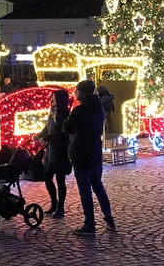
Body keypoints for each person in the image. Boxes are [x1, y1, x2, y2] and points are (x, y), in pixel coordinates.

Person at [63, 79, 115, 235]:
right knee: (98, 186)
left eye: (77, 90)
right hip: (95, 152)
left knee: (85, 189)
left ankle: (89, 224)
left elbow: (67, 127)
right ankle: (108, 217)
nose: (75, 93)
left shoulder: (80, 110)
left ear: (82, 92)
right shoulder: (98, 108)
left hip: (81, 153)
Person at [33, 88, 71, 217]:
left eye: (53, 98)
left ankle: (60, 207)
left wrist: (47, 138)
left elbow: (63, 134)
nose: (51, 101)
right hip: (50, 151)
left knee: (60, 179)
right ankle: (54, 203)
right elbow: (47, 128)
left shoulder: (64, 115)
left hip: (60, 151)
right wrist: (39, 136)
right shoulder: (52, 113)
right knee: (47, 177)